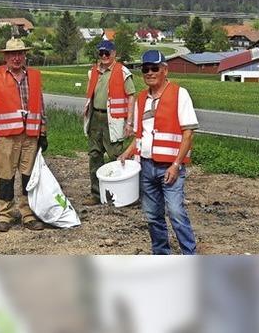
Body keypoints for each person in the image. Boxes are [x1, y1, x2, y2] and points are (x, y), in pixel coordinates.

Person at [118, 50, 198, 255]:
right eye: (146, 69)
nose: (150, 73)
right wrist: (127, 153)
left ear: (164, 70)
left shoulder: (180, 94)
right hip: (147, 166)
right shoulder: (141, 98)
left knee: (176, 212)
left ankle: (189, 254)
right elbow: (140, 136)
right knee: (153, 215)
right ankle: (161, 254)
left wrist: (176, 164)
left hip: (170, 168)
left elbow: (188, 133)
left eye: (155, 68)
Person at [0, 38, 47, 232]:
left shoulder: (33, 76)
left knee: (28, 177)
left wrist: (43, 132)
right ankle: (5, 214)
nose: (17, 58)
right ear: (6, 56)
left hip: (30, 136)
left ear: (25, 55)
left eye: (20, 54)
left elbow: (41, 106)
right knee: (6, 177)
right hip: (7, 137)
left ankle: (27, 213)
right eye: (12, 54)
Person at [83, 39, 136, 205]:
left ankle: (120, 194)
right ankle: (97, 194)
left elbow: (131, 96)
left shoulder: (122, 72)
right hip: (95, 117)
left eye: (107, 53)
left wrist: (129, 122)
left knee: (116, 155)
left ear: (114, 54)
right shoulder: (93, 72)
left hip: (113, 119)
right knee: (94, 155)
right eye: (101, 53)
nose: (104, 56)